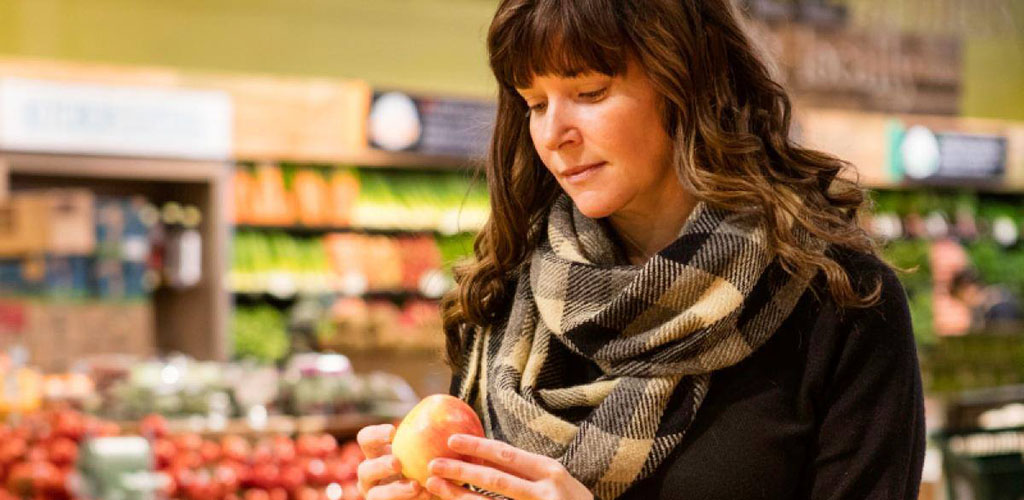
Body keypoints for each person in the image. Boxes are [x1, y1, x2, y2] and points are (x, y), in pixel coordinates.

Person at [357, 0, 926, 498]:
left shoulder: (840, 303)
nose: (554, 135)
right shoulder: (506, 293)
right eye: (535, 103)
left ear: (686, 82)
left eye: (589, 92)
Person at [950, 268, 1024, 335]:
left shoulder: (1001, 308)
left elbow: (1005, 339)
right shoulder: (986, 307)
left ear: (968, 290)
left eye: (958, 296)